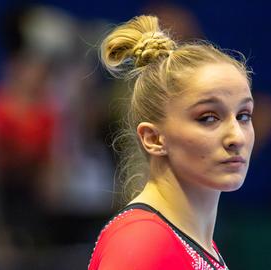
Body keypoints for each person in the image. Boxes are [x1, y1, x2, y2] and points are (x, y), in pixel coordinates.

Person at [88, 15, 254, 270]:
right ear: (153, 139)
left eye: (243, 116)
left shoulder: (191, 240)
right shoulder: (143, 242)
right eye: (208, 118)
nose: (237, 137)